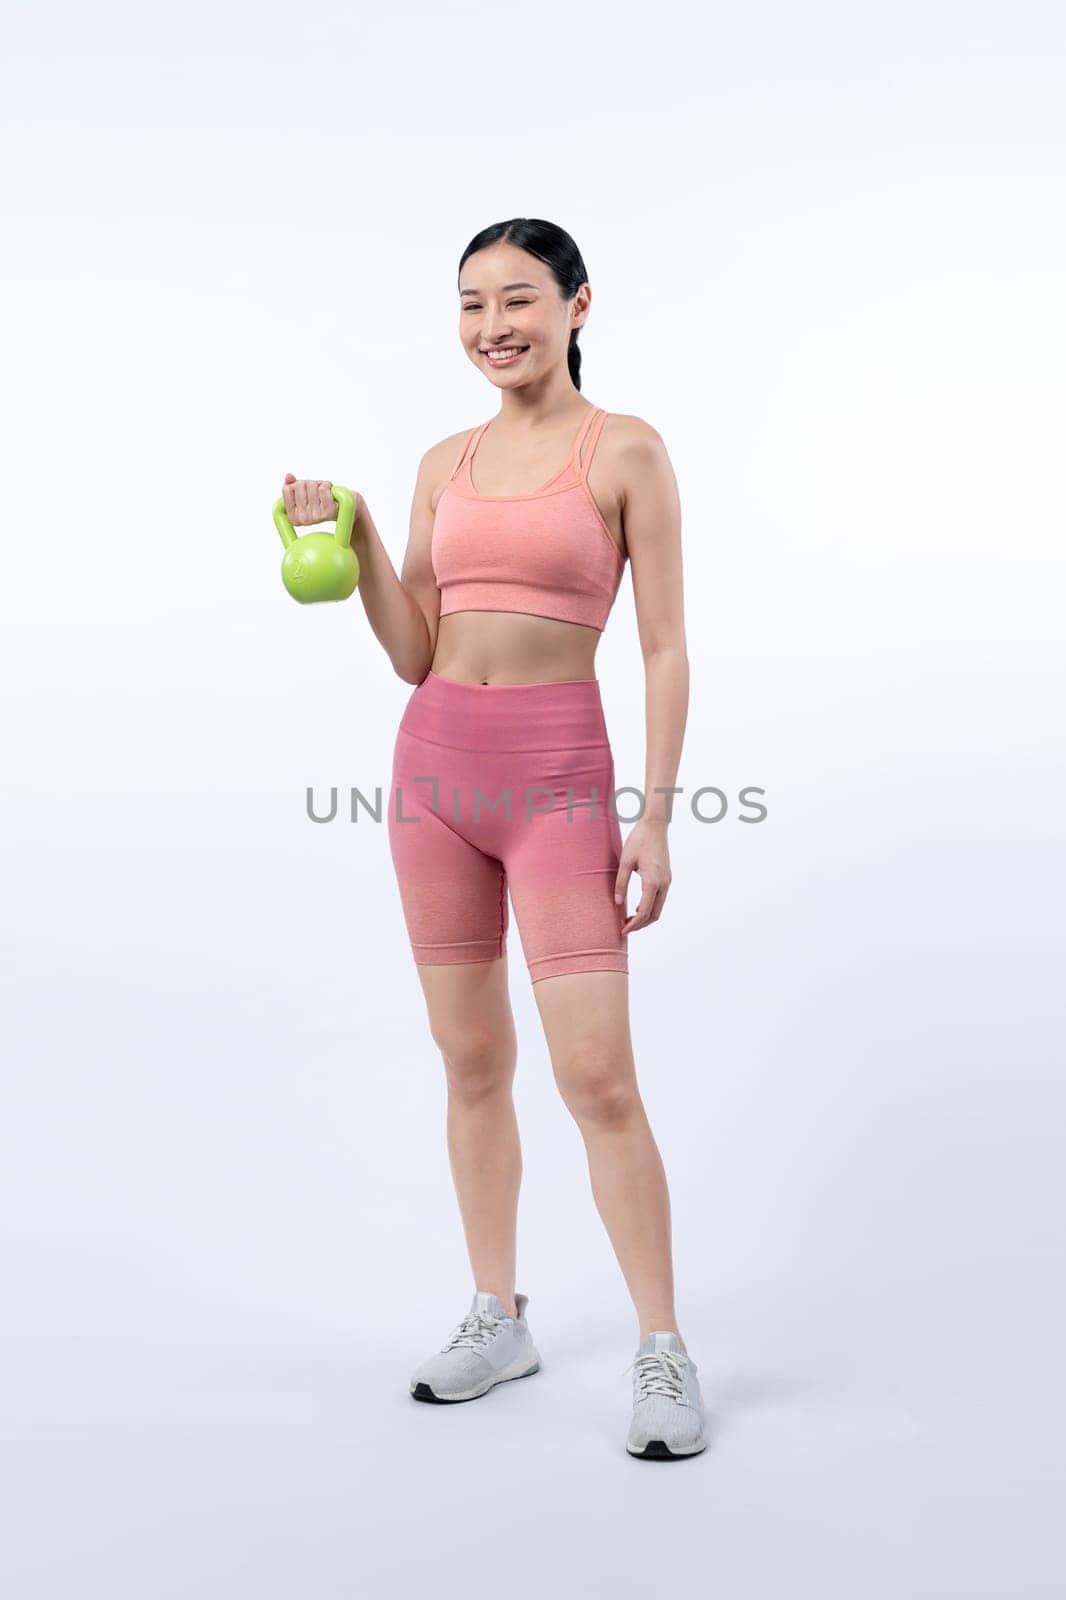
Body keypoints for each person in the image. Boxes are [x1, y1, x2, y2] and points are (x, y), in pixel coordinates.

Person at [281, 218, 705, 1460]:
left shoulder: (624, 451)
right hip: (434, 780)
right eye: (471, 304)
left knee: (597, 1080)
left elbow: (665, 645)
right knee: (469, 1061)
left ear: (579, 305)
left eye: (519, 298)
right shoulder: (441, 462)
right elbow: (415, 649)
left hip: (561, 780)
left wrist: (658, 817)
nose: (493, 326)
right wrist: (357, 534)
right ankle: (496, 1312)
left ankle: (663, 1350)